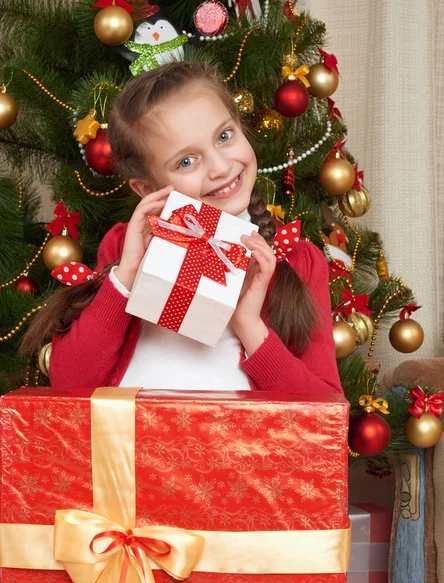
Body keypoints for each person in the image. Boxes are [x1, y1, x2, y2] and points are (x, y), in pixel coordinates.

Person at [21, 61, 343, 395]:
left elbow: (324, 413)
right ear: (147, 189)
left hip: (241, 446)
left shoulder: (298, 259)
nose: (220, 168)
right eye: (186, 161)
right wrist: (126, 275)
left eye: (224, 136)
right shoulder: (123, 246)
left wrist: (250, 326)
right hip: (130, 444)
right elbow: (71, 385)